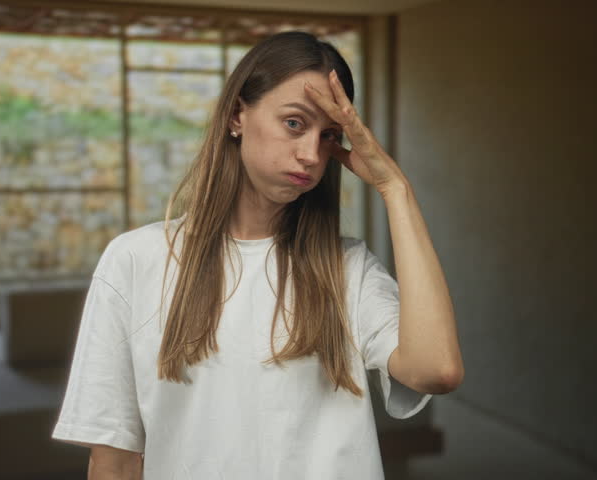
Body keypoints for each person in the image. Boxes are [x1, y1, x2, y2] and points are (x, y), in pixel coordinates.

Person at [52, 30, 463, 480]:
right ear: (236, 116)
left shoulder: (348, 269)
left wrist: (395, 190)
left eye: (328, 135)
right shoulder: (134, 260)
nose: (310, 154)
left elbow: (436, 370)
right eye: (294, 123)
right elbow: (114, 461)